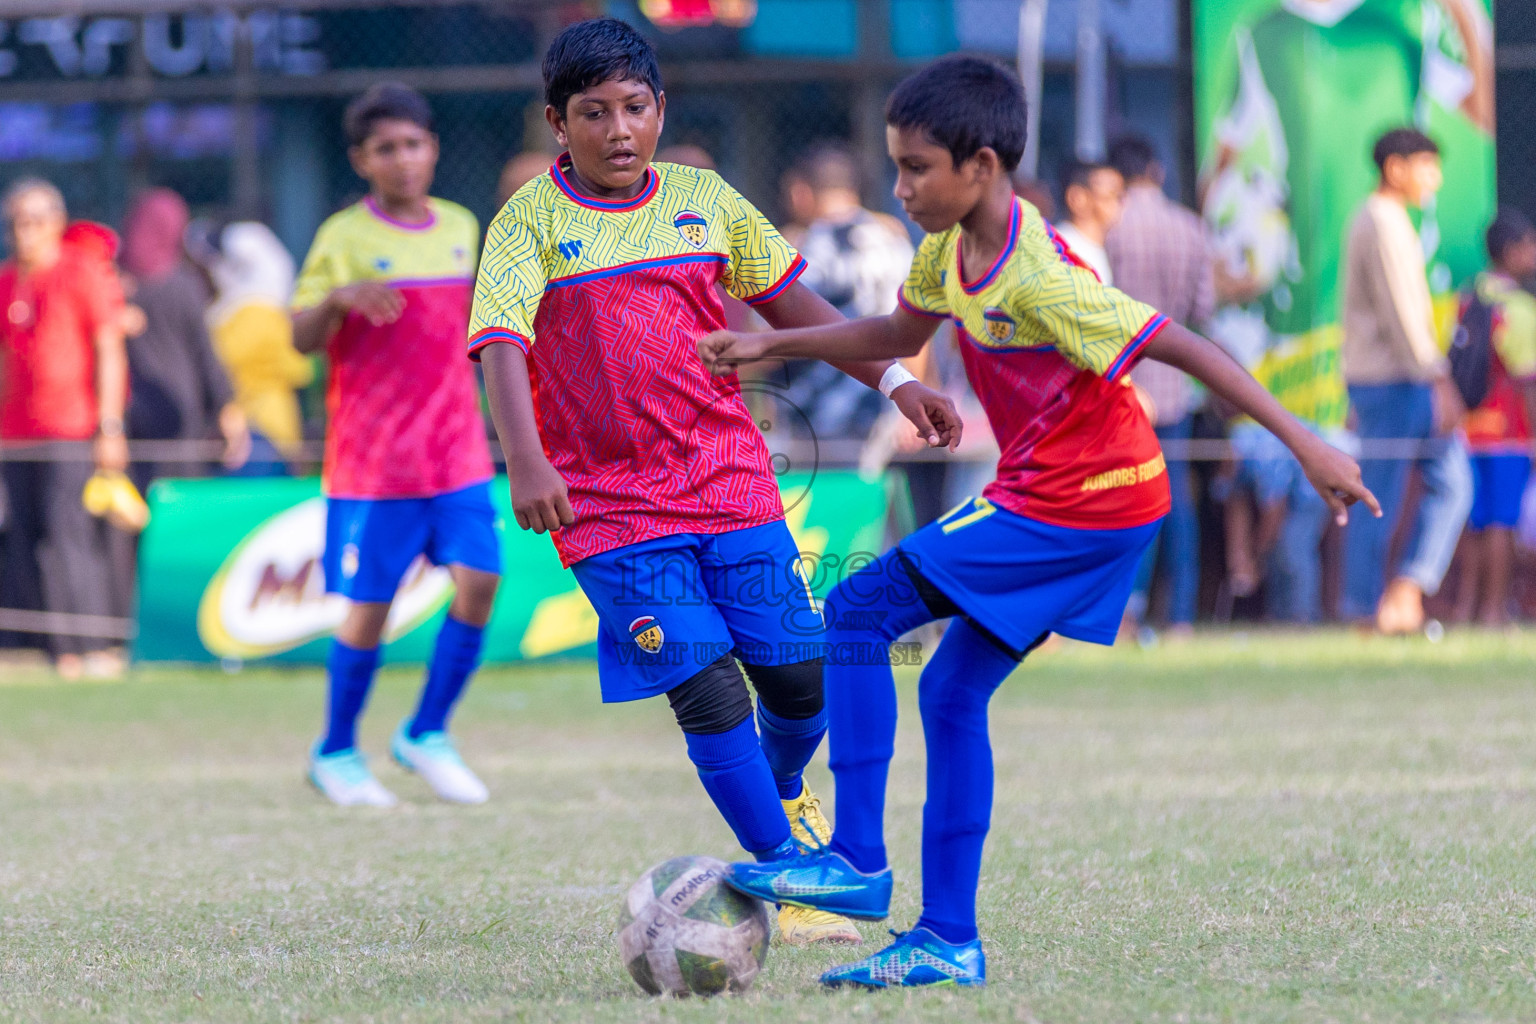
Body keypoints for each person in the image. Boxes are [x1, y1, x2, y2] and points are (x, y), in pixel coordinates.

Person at [699, 55, 1377, 989]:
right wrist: (776, 339)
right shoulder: (947, 249)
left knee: (856, 612)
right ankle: (947, 939)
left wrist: (1307, 444)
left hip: (1083, 502)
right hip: (1061, 493)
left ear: (981, 165)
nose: (901, 188)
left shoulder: (1044, 276)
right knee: (947, 694)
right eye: (894, 167)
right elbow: (897, 338)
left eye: (917, 169)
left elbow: (1186, 345)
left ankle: (854, 860)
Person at [469, 17, 961, 947]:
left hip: (729, 479)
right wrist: (525, 457)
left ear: (661, 109)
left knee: (800, 680)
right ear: (555, 123)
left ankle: (783, 793)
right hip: (611, 507)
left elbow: (799, 308)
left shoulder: (704, 200)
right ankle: (793, 876)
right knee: (708, 692)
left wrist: (898, 380)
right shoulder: (529, 219)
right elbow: (500, 340)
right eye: (593, 113)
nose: (618, 129)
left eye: (635, 108)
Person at [291, 83, 502, 808]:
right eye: (387, 148)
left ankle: (426, 733)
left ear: (433, 149)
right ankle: (337, 750)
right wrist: (337, 300)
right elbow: (299, 337)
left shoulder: (462, 226)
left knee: (480, 582)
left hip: (457, 451)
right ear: (361, 160)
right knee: (370, 609)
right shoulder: (342, 237)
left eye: (414, 143)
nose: (403, 159)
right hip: (375, 463)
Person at [1341, 128, 1473, 634]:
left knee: (1449, 484)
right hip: (1396, 381)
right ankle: (1365, 608)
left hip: (1393, 381)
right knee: (1380, 499)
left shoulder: (1386, 219)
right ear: (1396, 168)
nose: (1435, 178)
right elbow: (1401, 314)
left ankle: (1403, 592)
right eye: (1427, 165)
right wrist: (1439, 380)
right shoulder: (1381, 220)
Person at [0, 179, 128, 679]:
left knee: (70, 538)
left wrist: (110, 425)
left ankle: (92, 644)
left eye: (33, 221)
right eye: (14, 222)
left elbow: (109, 349)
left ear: (55, 221)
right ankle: (55, 647)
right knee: (27, 539)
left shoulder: (81, 271)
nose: (23, 232)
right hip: (16, 434)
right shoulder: (9, 279)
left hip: (71, 429)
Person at [1107, 134, 1216, 634]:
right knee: (1177, 501)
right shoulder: (1191, 227)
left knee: (1126, 499)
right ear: (1158, 170)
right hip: (1174, 381)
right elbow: (1201, 312)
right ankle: (1182, 616)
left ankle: (1129, 609)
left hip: (1120, 383)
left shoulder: (1109, 226)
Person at [779, 145, 915, 442]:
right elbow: (917, 332)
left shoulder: (802, 247)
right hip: (885, 409)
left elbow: (768, 337)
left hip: (815, 415)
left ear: (799, 193)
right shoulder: (893, 239)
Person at [120, 188, 250, 486]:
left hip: (128, 409)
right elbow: (205, 353)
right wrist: (225, 406)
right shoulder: (183, 285)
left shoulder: (117, 284)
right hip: (178, 406)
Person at [1453, 209, 1536, 625]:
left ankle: (1467, 607)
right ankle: (1492, 612)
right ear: (1512, 251)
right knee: (1502, 522)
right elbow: (1527, 381)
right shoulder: (1519, 307)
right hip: (1509, 434)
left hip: (1469, 431)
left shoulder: (1466, 298)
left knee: (1473, 522)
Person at [205, 221, 314, 475]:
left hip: (248, 432)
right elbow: (301, 371)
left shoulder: (232, 317)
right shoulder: (277, 315)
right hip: (277, 428)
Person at [1053, 159, 1123, 285]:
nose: (1118, 205)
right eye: (1111, 195)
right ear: (1077, 198)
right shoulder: (1062, 248)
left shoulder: (1094, 248)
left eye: (1121, 197)